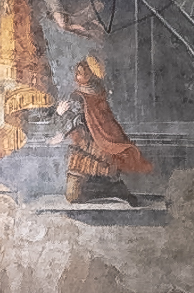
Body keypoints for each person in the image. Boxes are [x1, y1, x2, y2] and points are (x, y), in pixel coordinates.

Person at [57, 51, 154, 206]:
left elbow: (71, 121)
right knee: (75, 193)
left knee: (73, 196)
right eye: (76, 73)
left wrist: (59, 114)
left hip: (92, 148)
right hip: (92, 147)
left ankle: (113, 189)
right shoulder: (97, 93)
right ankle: (113, 189)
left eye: (80, 73)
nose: (76, 77)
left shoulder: (80, 97)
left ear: (89, 76)